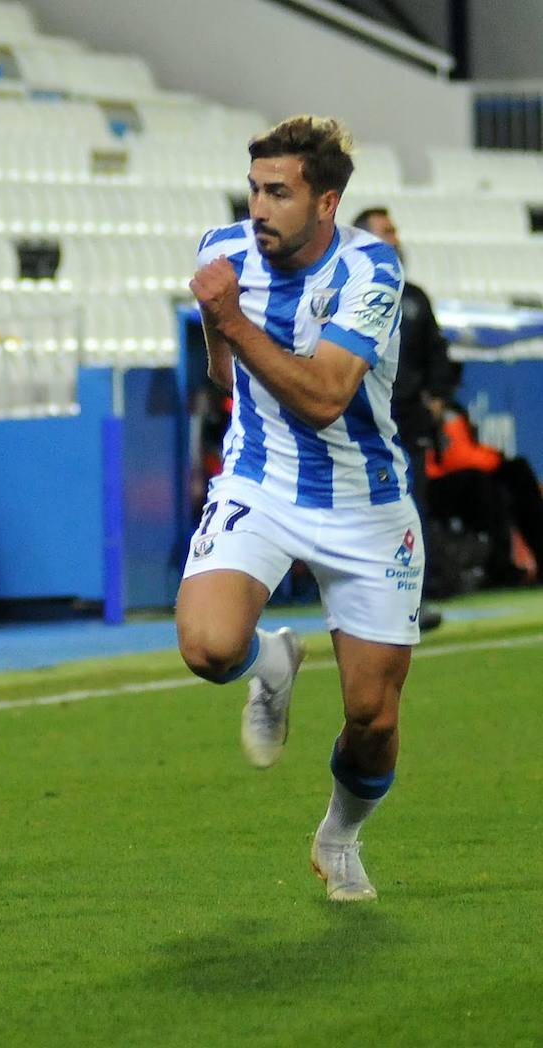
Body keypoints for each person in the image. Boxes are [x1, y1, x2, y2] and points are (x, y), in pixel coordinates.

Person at [177, 116, 421, 903]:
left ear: (326, 202)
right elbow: (225, 375)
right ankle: (272, 662)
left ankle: (340, 836)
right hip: (260, 481)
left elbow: (324, 396)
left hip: (366, 504)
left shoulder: (369, 270)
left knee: (373, 718)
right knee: (209, 647)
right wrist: (221, 322)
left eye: (278, 192)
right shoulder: (224, 249)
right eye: (254, 188)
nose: (259, 206)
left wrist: (236, 318)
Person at [352, 207, 452, 627]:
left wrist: (436, 401)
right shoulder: (349, 295)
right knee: (364, 511)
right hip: (362, 425)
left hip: (408, 421)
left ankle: (413, 598)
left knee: (411, 507)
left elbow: (438, 355)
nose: (395, 238)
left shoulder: (414, 298)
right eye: (386, 232)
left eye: (394, 231)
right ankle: (365, 601)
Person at [424, 399, 543, 586]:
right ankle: (498, 567)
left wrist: (496, 459)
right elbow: (456, 458)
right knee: (482, 483)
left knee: (518, 471)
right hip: (433, 484)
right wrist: (495, 460)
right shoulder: (417, 410)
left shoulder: (453, 408)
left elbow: (467, 451)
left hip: (466, 473)